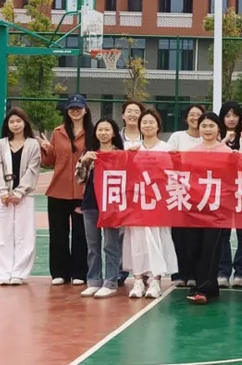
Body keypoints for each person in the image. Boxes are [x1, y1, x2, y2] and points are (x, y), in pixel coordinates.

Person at [123, 109, 179, 299]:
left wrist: (175, 158)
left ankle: (155, 280)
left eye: (151, 122)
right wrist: (127, 157)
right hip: (137, 202)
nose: (147, 125)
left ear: (158, 126)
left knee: (158, 239)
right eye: (144, 122)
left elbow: (174, 174)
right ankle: (138, 280)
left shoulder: (166, 148)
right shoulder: (132, 149)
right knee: (136, 240)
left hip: (158, 202)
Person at [39, 93, 92, 286]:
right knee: (58, 233)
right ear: (67, 111)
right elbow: (49, 162)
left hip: (83, 191)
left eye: (79, 108)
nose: (75, 111)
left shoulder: (92, 132)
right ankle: (59, 272)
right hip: (58, 190)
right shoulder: (58, 132)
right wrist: (47, 149)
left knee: (81, 233)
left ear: (85, 110)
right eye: (72, 108)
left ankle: (79, 272)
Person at [185, 112, 234, 305]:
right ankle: (209, 285)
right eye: (204, 126)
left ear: (219, 128)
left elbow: (232, 180)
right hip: (195, 208)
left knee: (211, 248)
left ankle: (203, 288)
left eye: (211, 126)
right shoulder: (191, 152)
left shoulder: (228, 153)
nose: (207, 129)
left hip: (217, 209)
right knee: (194, 247)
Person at [0, 107, 41, 286]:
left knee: (24, 235)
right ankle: (3, 273)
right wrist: (3, 192)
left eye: (19, 121)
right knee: (1, 235)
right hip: (2, 198)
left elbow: (33, 170)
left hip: (24, 197)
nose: (15, 125)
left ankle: (19, 272)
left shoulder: (33, 145)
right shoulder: (0, 145)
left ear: (25, 123)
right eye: (12, 122)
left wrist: (19, 192)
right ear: (7, 125)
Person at [76, 117, 125, 298]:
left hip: (111, 206)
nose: (103, 133)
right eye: (100, 130)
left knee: (111, 245)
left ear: (113, 133)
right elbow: (79, 178)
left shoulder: (120, 154)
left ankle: (110, 282)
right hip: (91, 204)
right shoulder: (89, 154)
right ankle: (94, 281)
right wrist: (84, 161)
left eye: (107, 130)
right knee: (93, 246)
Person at [168, 104, 205, 288]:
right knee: (179, 236)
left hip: (202, 194)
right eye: (192, 114)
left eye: (199, 115)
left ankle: (194, 274)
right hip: (180, 192)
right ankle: (179, 274)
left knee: (197, 237)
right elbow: (167, 160)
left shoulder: (208, 138)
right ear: (186, 118)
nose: (195, 118)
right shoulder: (177, 137)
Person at [217, 101, 242, 289]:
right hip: (222, 191)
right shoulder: (216, 135)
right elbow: (211, 156)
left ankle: (240, 272)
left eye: (235, 115)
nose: (231, 119)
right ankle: (222, 272)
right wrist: (223, 140)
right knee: (222, 233)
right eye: (227, 115)